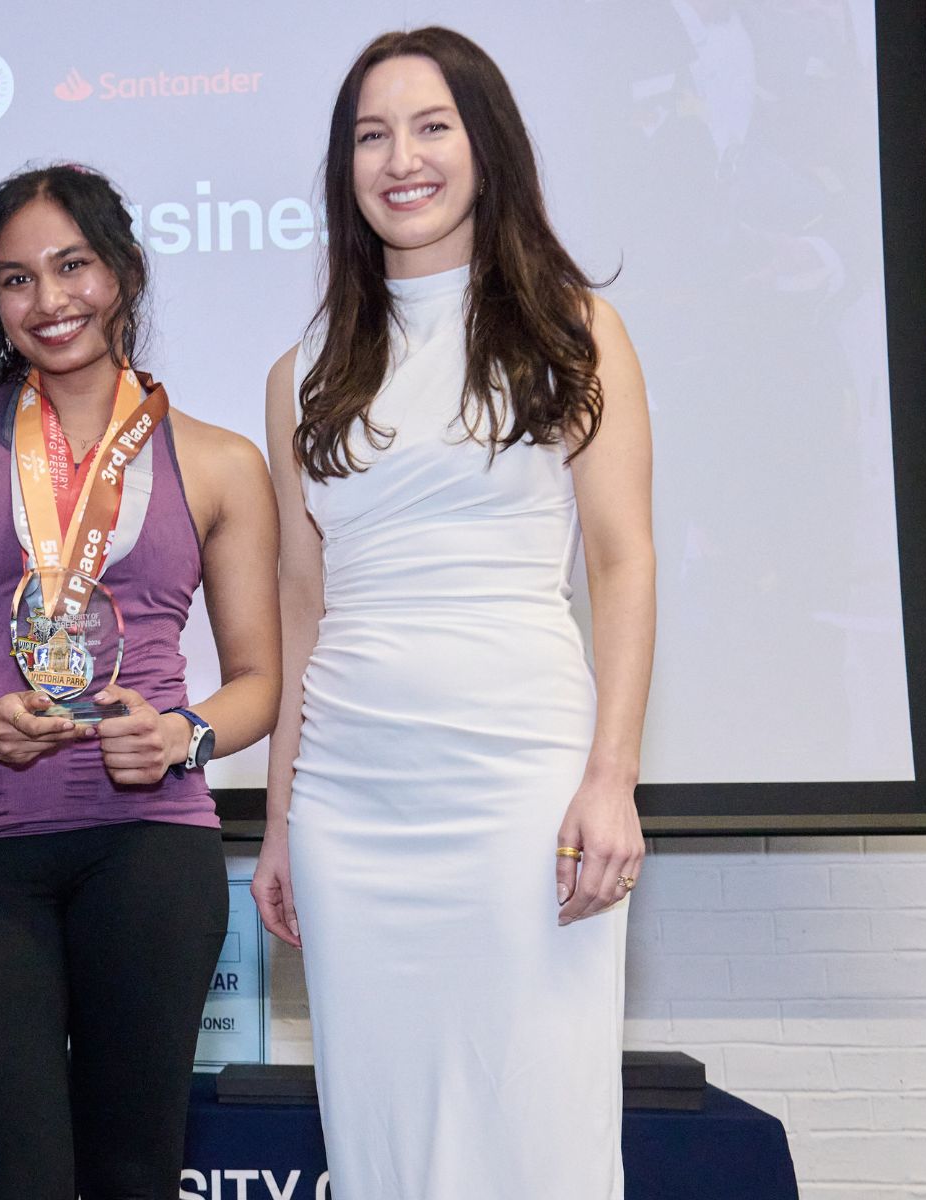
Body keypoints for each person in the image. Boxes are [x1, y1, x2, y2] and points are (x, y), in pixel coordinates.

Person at [250, 27, 655, 1200]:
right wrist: (280, 819)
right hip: (350, 802)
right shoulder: (305, 367)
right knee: (384, 1136)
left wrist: (612, 778)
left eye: (432, 126)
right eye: (372, 134)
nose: (402, 158)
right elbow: (302, 603)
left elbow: (624, 564)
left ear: (487, 147)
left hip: (521, 787)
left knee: (541, 1125)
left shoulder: (573, 328)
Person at [0, 164, 280, 1199]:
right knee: (12, 1177)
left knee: (136, 1173)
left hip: (150, 851)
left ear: (123, 271)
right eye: (16, 280)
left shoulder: (218, 462)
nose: (49, 300)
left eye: (72, 266)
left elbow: (260, 680)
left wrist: (184, 735)